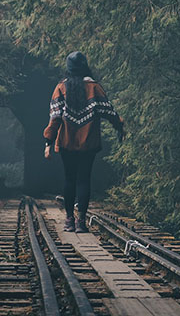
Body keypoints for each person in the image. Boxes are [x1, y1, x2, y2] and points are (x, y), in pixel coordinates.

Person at [43, 51, 124, 233]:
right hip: (89, 144)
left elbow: (55, 118)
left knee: (69, 179)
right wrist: (119, 126)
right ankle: (81, 222)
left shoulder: (61, 88)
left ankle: (69, 220)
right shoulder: (95, 88)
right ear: (85, 66)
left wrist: (48, 142)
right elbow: (109, 112)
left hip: (66, 143)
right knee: (84, 180)